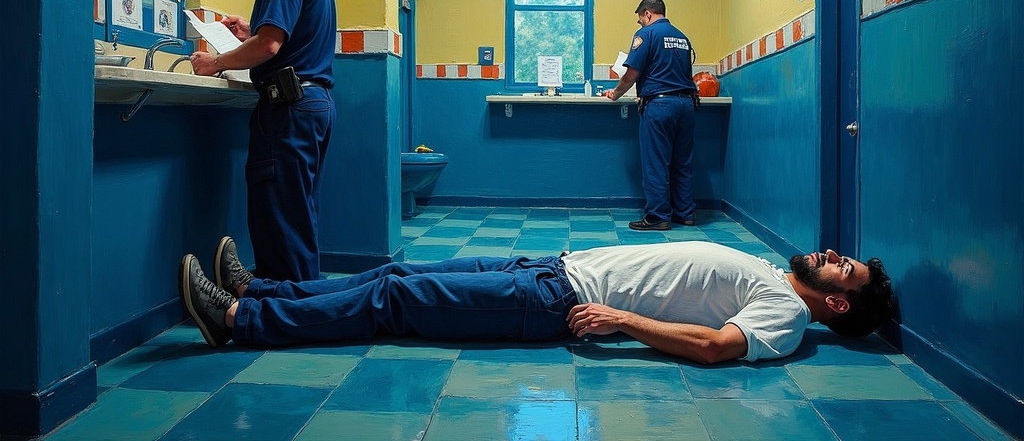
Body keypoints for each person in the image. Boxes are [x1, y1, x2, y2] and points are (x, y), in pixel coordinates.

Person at [179, 237, 894, 365]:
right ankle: (264, 290)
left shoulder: (789, 317)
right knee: (394, 275)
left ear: (836, 307)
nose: (834, 257)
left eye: (845, 272)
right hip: (551, 266)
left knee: (395, 300)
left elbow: (713, 346)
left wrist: (620, 321)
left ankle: (241, 321)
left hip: (554, 300)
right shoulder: (781, 275)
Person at [189, 0, 336, 282]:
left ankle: (285, 313)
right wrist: (253, 29)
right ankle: (298, 304)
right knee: (297, 212)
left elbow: (269, 48)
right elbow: (285, 38)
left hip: (290, 108)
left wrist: (216, 62)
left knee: (281, 216)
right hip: (313, 104)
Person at [604, 0, 699, 231]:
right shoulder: (682, 38)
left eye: (640, 19)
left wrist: (616, 93)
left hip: (660, 106)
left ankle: (657, 216)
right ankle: (685, 213)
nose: (640, 24)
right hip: (686, 105)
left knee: (656, 162)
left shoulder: (646, 35)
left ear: (647, 14)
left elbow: (631, 74)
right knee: (682, 162)